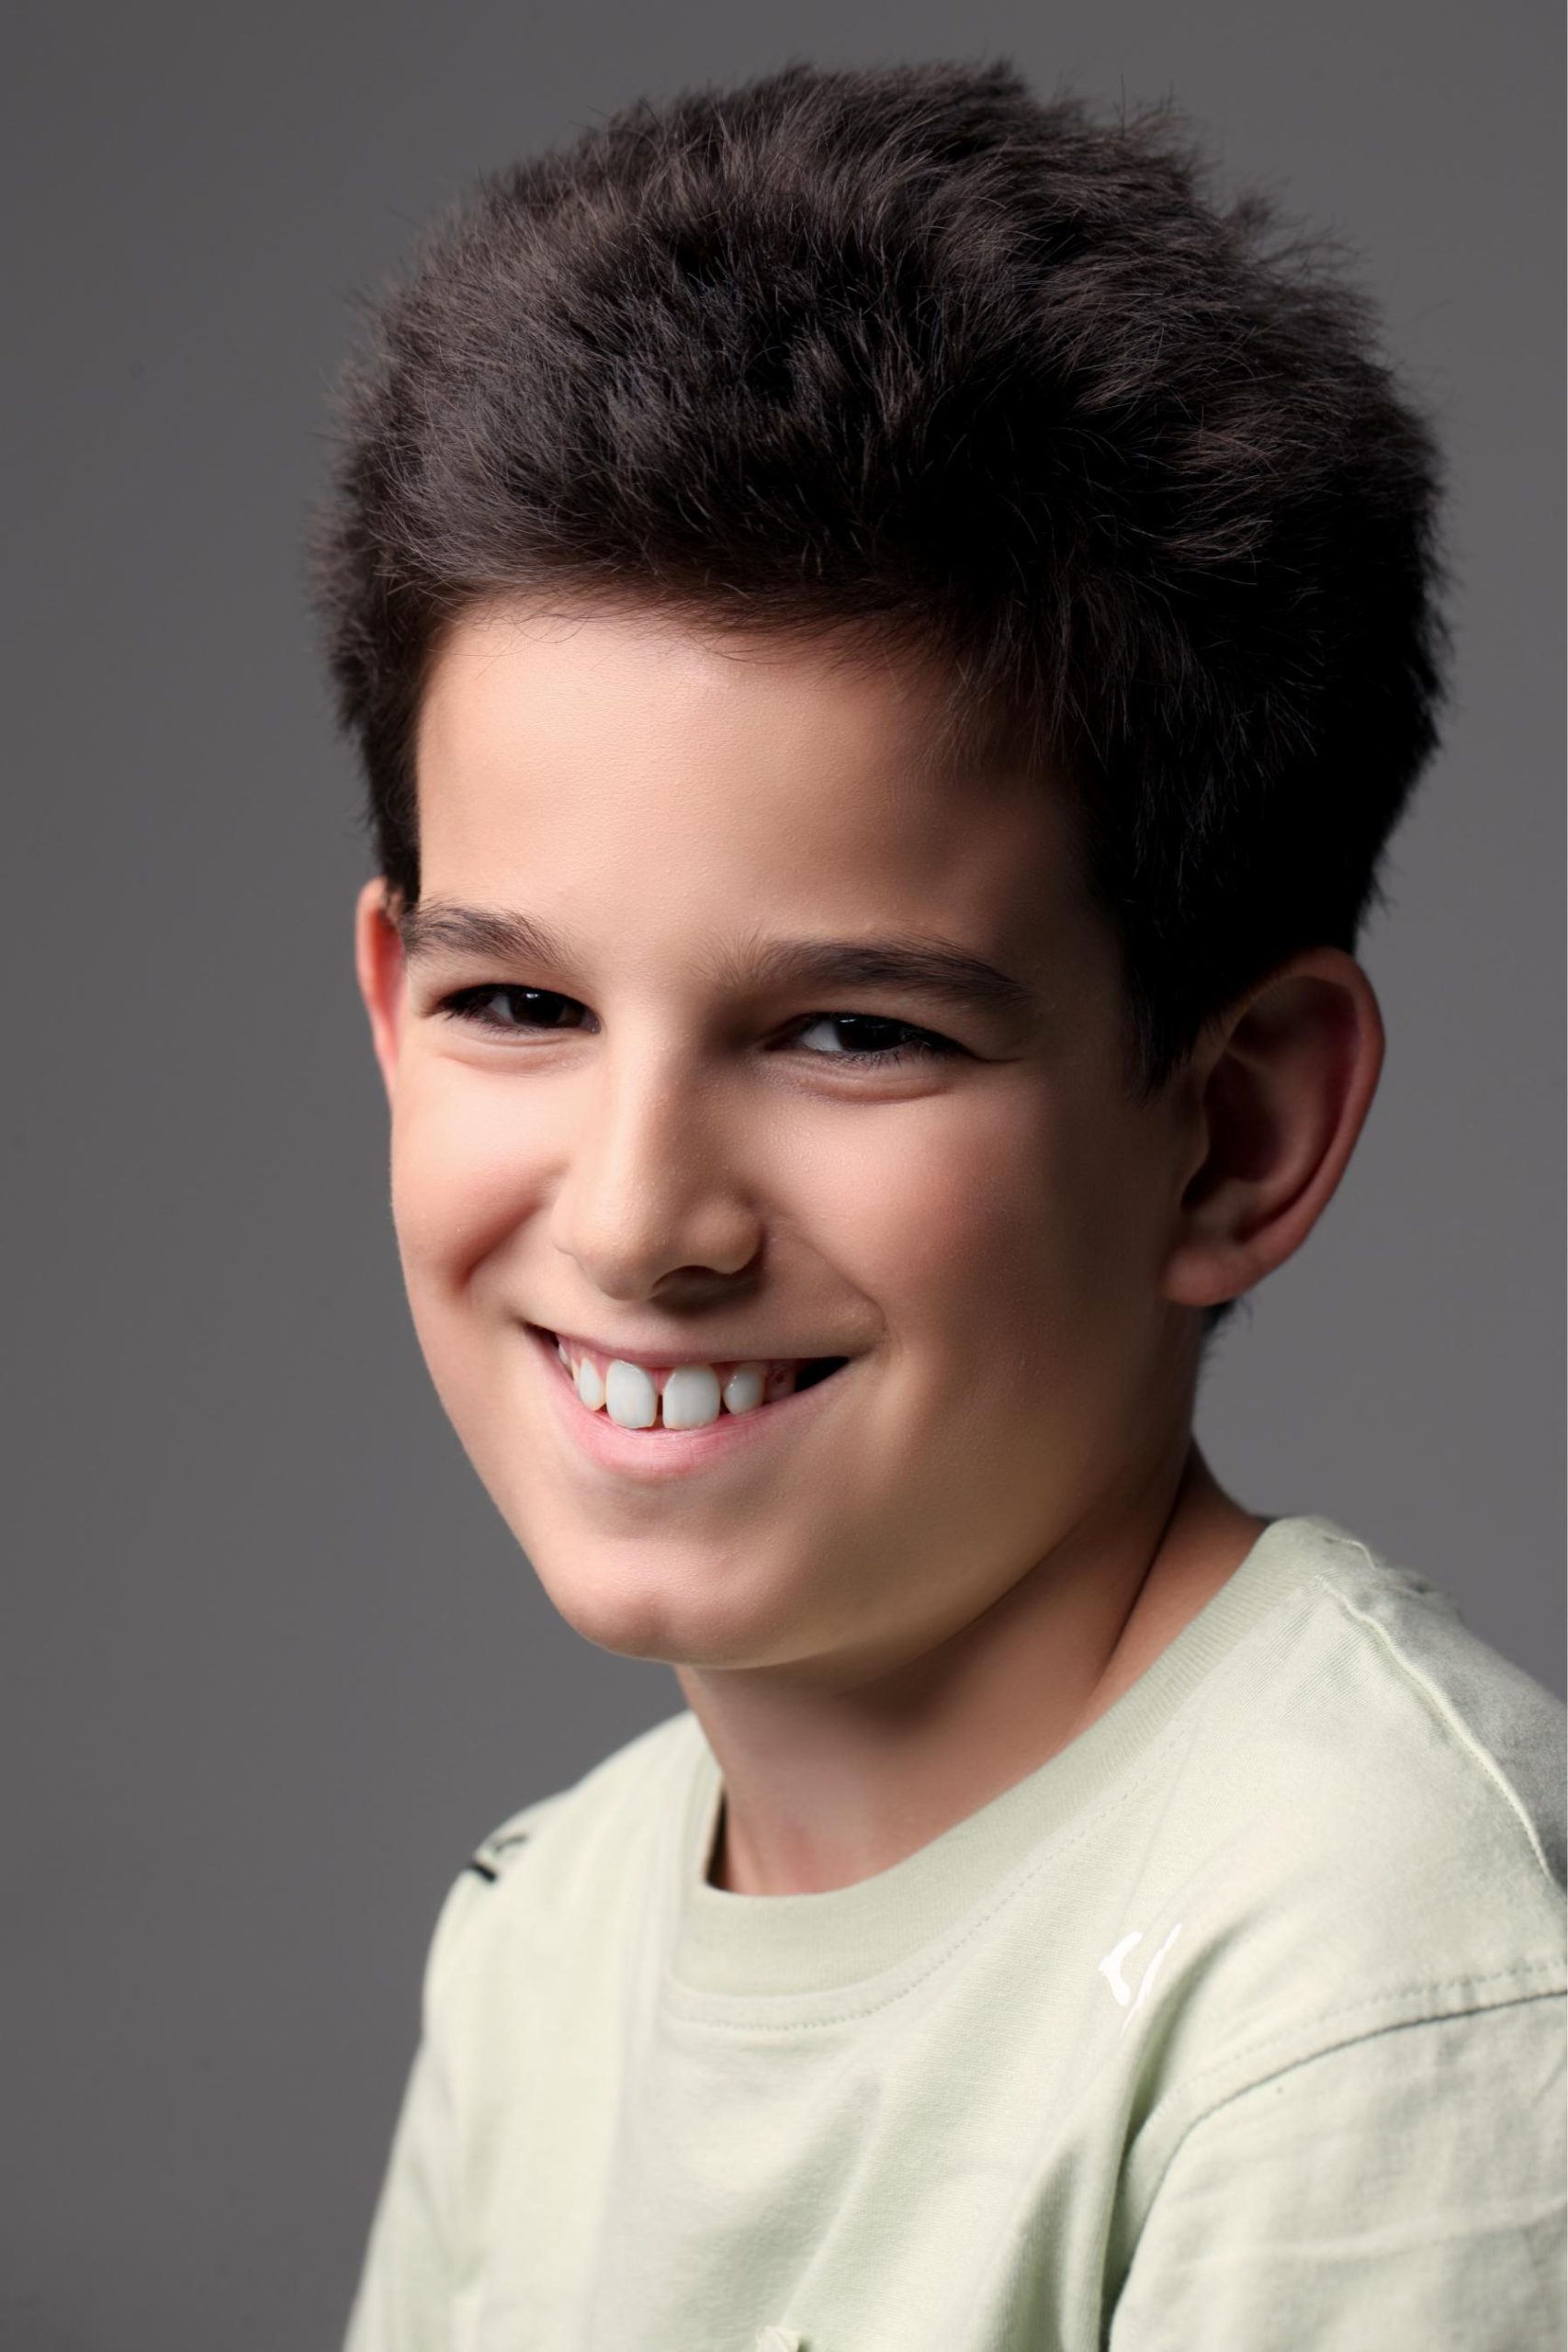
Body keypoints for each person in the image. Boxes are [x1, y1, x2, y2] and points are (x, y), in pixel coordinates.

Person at [311, 56, 1565, 2351]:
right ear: (394, 1014)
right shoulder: (546, 1931)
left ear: (1235, 1128)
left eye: (851, 1032)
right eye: (521, 1002)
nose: (641, 1215)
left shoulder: (1364, 1972)